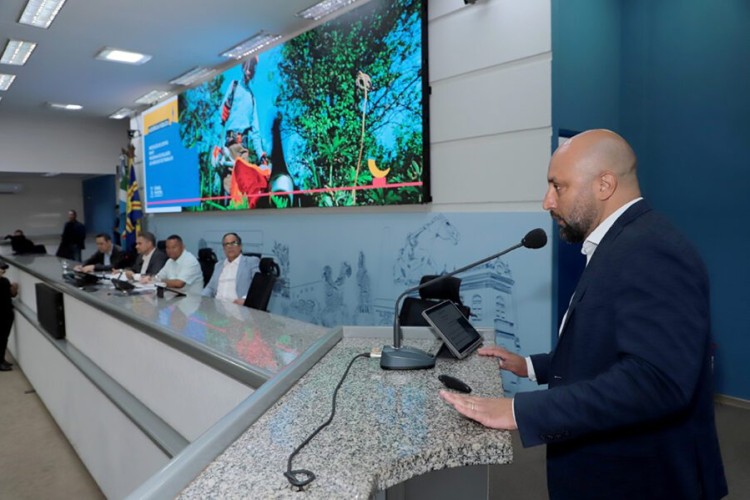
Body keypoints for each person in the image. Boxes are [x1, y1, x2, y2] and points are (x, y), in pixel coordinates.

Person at [439, 130, 728, 499]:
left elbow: (656, 381)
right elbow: (607, 350)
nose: (547, 201)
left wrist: (518, 411)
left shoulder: (651, 250)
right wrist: (529, 366)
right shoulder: (622, 242)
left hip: (638, 480)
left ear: (604, 185)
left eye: (558, 186)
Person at [202, 233, 259, 304]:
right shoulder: (218, 265)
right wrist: (200, 298)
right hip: (217, 306)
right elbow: (210, 288)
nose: (230, 247)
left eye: (233, 243)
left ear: (240, 246)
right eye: (227, 244)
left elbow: (258, 286)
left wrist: (246, 299)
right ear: (224, 248)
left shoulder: (251, 262)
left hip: (237, 307)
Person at [0, 261, 18, 371]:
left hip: (6, 312)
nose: (3, 271)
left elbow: (11, 294)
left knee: (4, 338)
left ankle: (2, 359)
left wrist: (14, 289)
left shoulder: (5, 281)